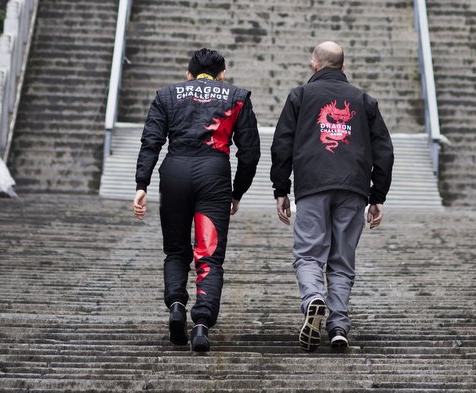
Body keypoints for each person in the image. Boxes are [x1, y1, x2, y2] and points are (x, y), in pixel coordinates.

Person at [133, 47, 260, 355]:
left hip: (175, 172)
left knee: (176, 250)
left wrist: (142, 184)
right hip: (213, 175)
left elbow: (151, 141)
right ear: (223, 75)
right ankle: (201, 324)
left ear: (188, 75)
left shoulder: (167, 95)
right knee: (209, 255)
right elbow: (250, 153)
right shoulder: (237, 96)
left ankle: (176, 305)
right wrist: (237, 192)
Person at [270, 40, 393, 352]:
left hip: (312, 186)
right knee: (342, 260)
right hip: (353, 188)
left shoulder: (300, 96)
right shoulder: (364, 100)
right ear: (343, 66)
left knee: (309, 253)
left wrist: (281, 189)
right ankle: (338, 325)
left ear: (315, 64)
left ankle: (313, 298)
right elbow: (384, 151)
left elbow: (282, 144)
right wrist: (377, 195)